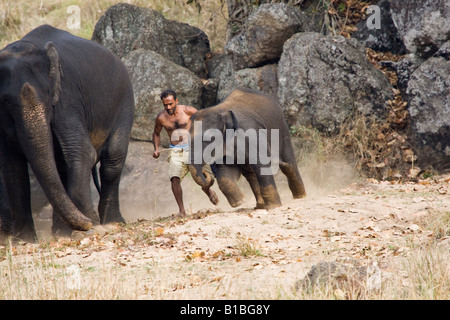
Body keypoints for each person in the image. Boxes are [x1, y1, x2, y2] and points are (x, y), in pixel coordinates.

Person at [152, 89, 218, 217]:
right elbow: (156, 133)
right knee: (174, 179)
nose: (168, 107)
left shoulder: (188, 110)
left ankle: (207, 190)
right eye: (165, 105)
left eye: (171, 104)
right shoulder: (161, 118)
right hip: (176, 151)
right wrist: (156, 148)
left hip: (193, 148)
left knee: (207, 179)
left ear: (176, 101)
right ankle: (182, 211)